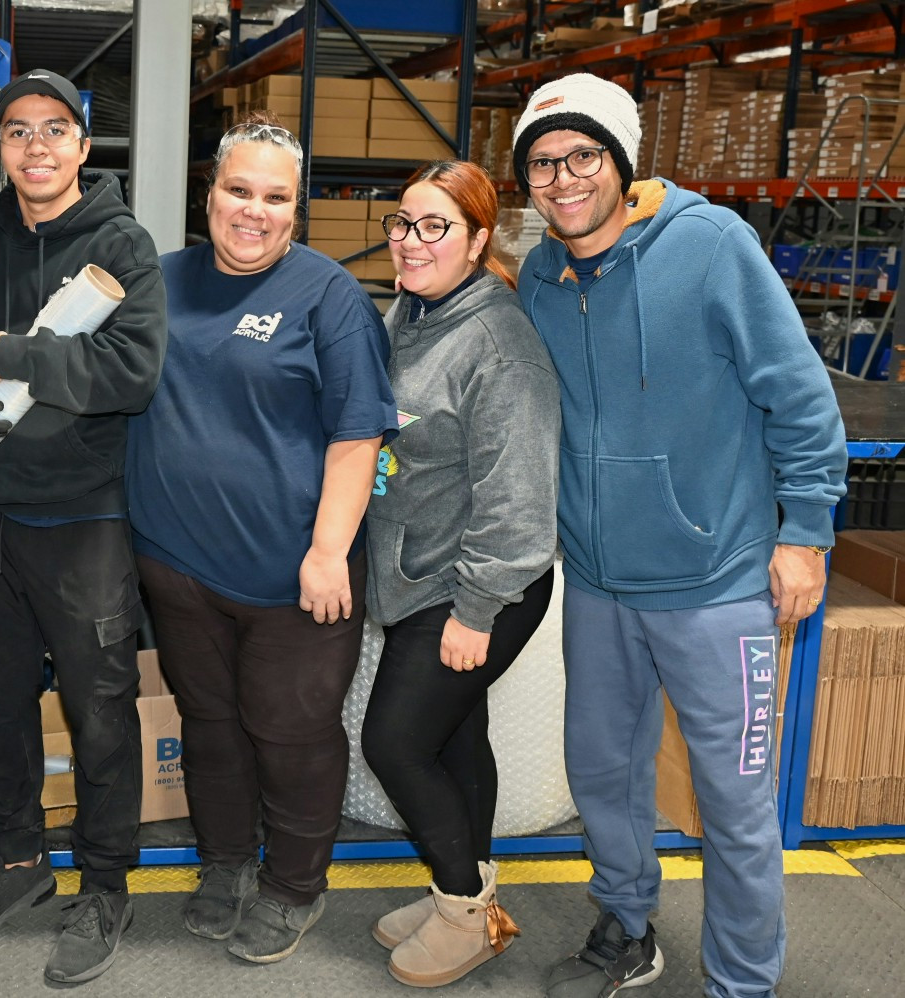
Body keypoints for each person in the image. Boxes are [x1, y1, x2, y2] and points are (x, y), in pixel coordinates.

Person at [511, 74, 848, 998]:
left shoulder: (709, 247)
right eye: (542, 164)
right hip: (600, 584)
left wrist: (807, 530)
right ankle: (626, 928)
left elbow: (802, 397)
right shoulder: (541, 273)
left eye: (582, 157)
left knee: (735, 802)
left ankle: (743, 982)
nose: (563, 179)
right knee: (602, 774)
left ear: (621, 164)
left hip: (717, 581)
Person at [125, 113, 396, 965]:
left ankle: (293, 885)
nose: (254, 211)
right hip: (175, 565)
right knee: (209, 724)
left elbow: (358, 437)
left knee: (290, 730)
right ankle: (228, 863)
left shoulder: (328, 295)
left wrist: (326, 552)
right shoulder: (160, 282)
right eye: (238, 190)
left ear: (297, 209)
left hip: (293, 575)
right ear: (209, 194)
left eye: (275, 197)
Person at [0, 68, 167, 986]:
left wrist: (20, 355)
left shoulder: (122, 246)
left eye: (53, 129)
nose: (35, 145)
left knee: (98, 706)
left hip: (83, 516)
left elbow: (132, 372)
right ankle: (21, 860)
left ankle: (104, 884)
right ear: (1, 147)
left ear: (81, 145)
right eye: (18, 130)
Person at [356, 159, 560, 988]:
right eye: (402, 222)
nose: (410, 241)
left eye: (434, 226)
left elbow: (518, 507)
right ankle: (470, 892)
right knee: (455, 735)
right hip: (423, 571)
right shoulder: (417, 311)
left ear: (479, 238)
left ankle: (461, 913)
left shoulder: (498, 346)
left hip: (478, 585)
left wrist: (474, 612)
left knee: (396, 742)